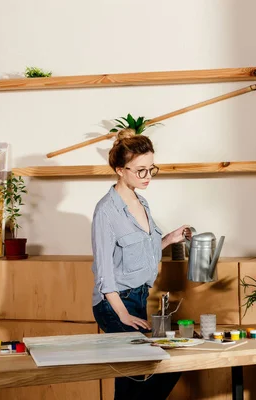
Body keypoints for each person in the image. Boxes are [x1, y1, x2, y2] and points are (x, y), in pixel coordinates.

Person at [91, 129, 190, 400]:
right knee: (136, 375)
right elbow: (103, 270)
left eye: (151, 169)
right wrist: (122, 315)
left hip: (138, 298)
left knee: (143, 376)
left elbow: (142, 250)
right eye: (140, 171)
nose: (148, 177)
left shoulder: (141, 201)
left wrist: (170, 238)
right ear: (120, 170)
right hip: (114, 304)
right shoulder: (106, 211)